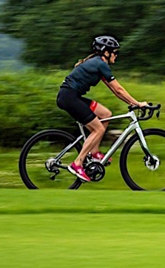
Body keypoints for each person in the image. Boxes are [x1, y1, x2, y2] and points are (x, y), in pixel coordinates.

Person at [56, 35, 147, 182]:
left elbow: (115, 90)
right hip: (69, 98)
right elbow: (118, 89)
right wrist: (137, 103)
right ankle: (77, 163)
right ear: (106, 52)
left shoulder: (98, 64)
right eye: (115, 52)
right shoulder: (100, 64)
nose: (116, 56)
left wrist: (130, 102)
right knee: (98, 129)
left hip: (71, 96)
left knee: (105, 114)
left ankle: (94, 152)